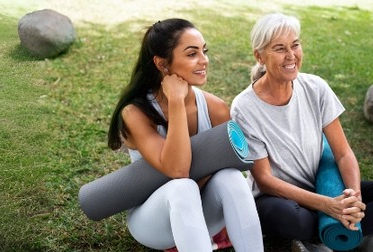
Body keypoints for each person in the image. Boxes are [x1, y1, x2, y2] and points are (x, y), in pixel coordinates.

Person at [230, 13, 373, 252]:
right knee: (280, 215)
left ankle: (331, 232)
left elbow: (343, 153)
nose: (291, 55)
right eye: (280, 48)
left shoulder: (315, 87)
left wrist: (353, 200)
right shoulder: (244, 107)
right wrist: (327, 205)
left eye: (295, 45)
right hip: (281, 198)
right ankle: (345, 232)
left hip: (323, 185)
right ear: (259, 56)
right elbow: (265, 181)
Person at [106, 18, 263, 251]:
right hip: (154, 223)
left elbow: (231, 166)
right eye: (192, 54)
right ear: (162, 64)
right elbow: (177, 170)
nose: (204, 60)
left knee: (231, 177)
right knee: (182, 187)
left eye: (204, 51)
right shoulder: (136, 113)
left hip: (201, 215)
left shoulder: (216, 108)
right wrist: (176, 101)